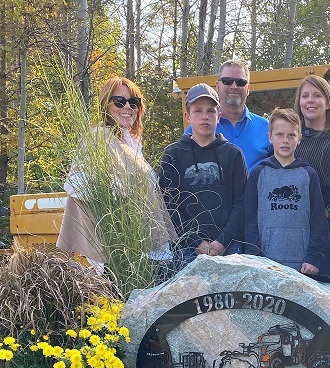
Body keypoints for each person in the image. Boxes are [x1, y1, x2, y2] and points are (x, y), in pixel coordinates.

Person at [56, 76, 173, 268]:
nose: (127, 107)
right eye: (119, 101)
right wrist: (109, 186)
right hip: (115, 250)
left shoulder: (133, 143)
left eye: (133, 102)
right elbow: (74, 183)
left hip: (141, 246)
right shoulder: (98, 138)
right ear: (106, 105)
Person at [158, 83, 247, 270]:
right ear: (187, 116)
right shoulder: (173, 155)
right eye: (198, 111)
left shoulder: (234, 155)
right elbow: (169, 206)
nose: (205, 116)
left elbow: (242, 202)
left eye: (211, 111)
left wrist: (223, 240)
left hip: (229, 247)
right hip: (185, 251)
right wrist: (196, 242)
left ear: (219, 115)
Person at [244, 108, 328, 274]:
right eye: (279, 135)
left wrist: (313, 257)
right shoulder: (259, 173)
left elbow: (318, 220)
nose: (285, 140)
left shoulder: (308, 175)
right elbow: (249, 218)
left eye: (291, 135)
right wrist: (255, 255)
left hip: (302, 264)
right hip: (265, 262)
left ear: (299, 139)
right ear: (270, 137)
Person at [293, 75, 330, 277]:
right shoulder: (293, 139)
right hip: (294, 231)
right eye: (304, 96)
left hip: (328, 234)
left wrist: (318, 220)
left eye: (317, 95)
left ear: (328, 103)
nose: (310, 100)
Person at [186, 60, 272, 173]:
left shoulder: (267, 127)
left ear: (248, 88)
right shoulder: (197, 128)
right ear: (217, 86)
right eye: (227, 81)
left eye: (241, 82)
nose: (234, 86)